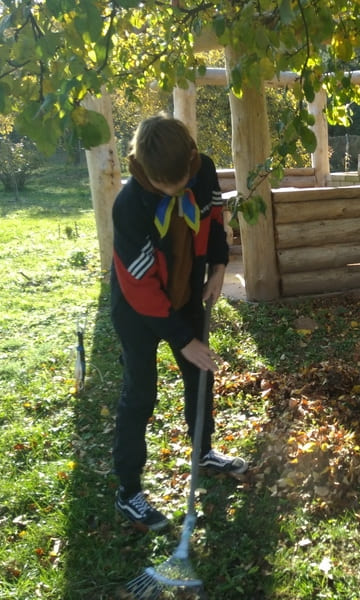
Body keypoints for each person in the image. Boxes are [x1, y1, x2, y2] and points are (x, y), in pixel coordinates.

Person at [110, 114, 247, 531]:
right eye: (163, 184)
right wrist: (183, 338)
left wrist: (218, 266)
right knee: (140, 394)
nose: (175, 189)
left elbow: (215, 218)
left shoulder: (202, 170)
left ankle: (202, 451)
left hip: (186, 292)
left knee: (199, 375)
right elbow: (140, 287)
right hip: (138, 311)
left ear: (191, 159)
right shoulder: (128, 206)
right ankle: (128, 492)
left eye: (181, 181)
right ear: (142, 168)